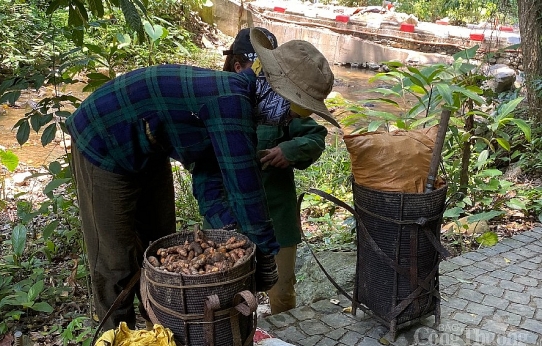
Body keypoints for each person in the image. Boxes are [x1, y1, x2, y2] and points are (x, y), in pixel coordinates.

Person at [66, 28, 339, 330]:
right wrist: (263, 263)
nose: (292, 120)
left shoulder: (237, 104)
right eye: (297, 110)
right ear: (276, 91)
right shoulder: (230, 102)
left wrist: (228, 236)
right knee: (115, 261)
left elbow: (208, 178)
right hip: (102, 142)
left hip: (150, 146)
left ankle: (161, 329)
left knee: (159, 246)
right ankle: (115, 342)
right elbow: (246, 191)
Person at [220, 28, 332, 314]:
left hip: (276, 220)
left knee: (282, 292)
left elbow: (316, 136)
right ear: (239, 67)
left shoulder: (283, 106)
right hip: (230, 221)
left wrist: (289, 151)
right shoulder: (222, 104)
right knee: (229, 296)